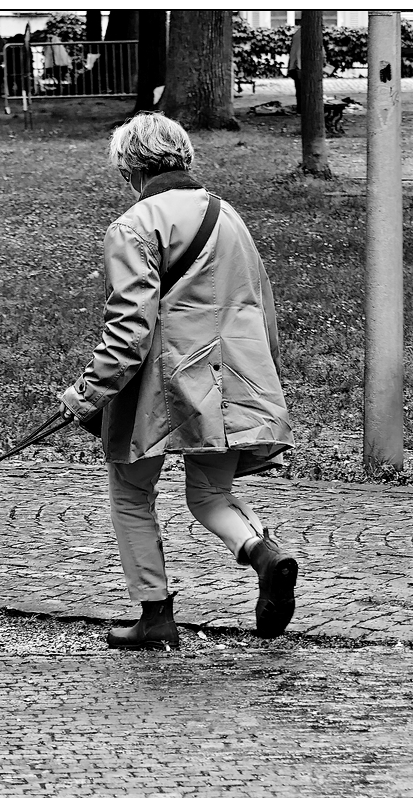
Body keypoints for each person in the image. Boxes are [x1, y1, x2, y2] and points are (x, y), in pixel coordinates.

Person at [58, 112, 298, 647]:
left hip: (160, 389)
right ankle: (265, 553)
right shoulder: (229, 215)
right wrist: (267, 373)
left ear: (128, 169)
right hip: (234, 376)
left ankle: (156, 617)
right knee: (211, 492)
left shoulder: (135, 225)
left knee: (131, 495)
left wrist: (87, 393)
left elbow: (129, 328)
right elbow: (263, 307)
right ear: (183, 158)